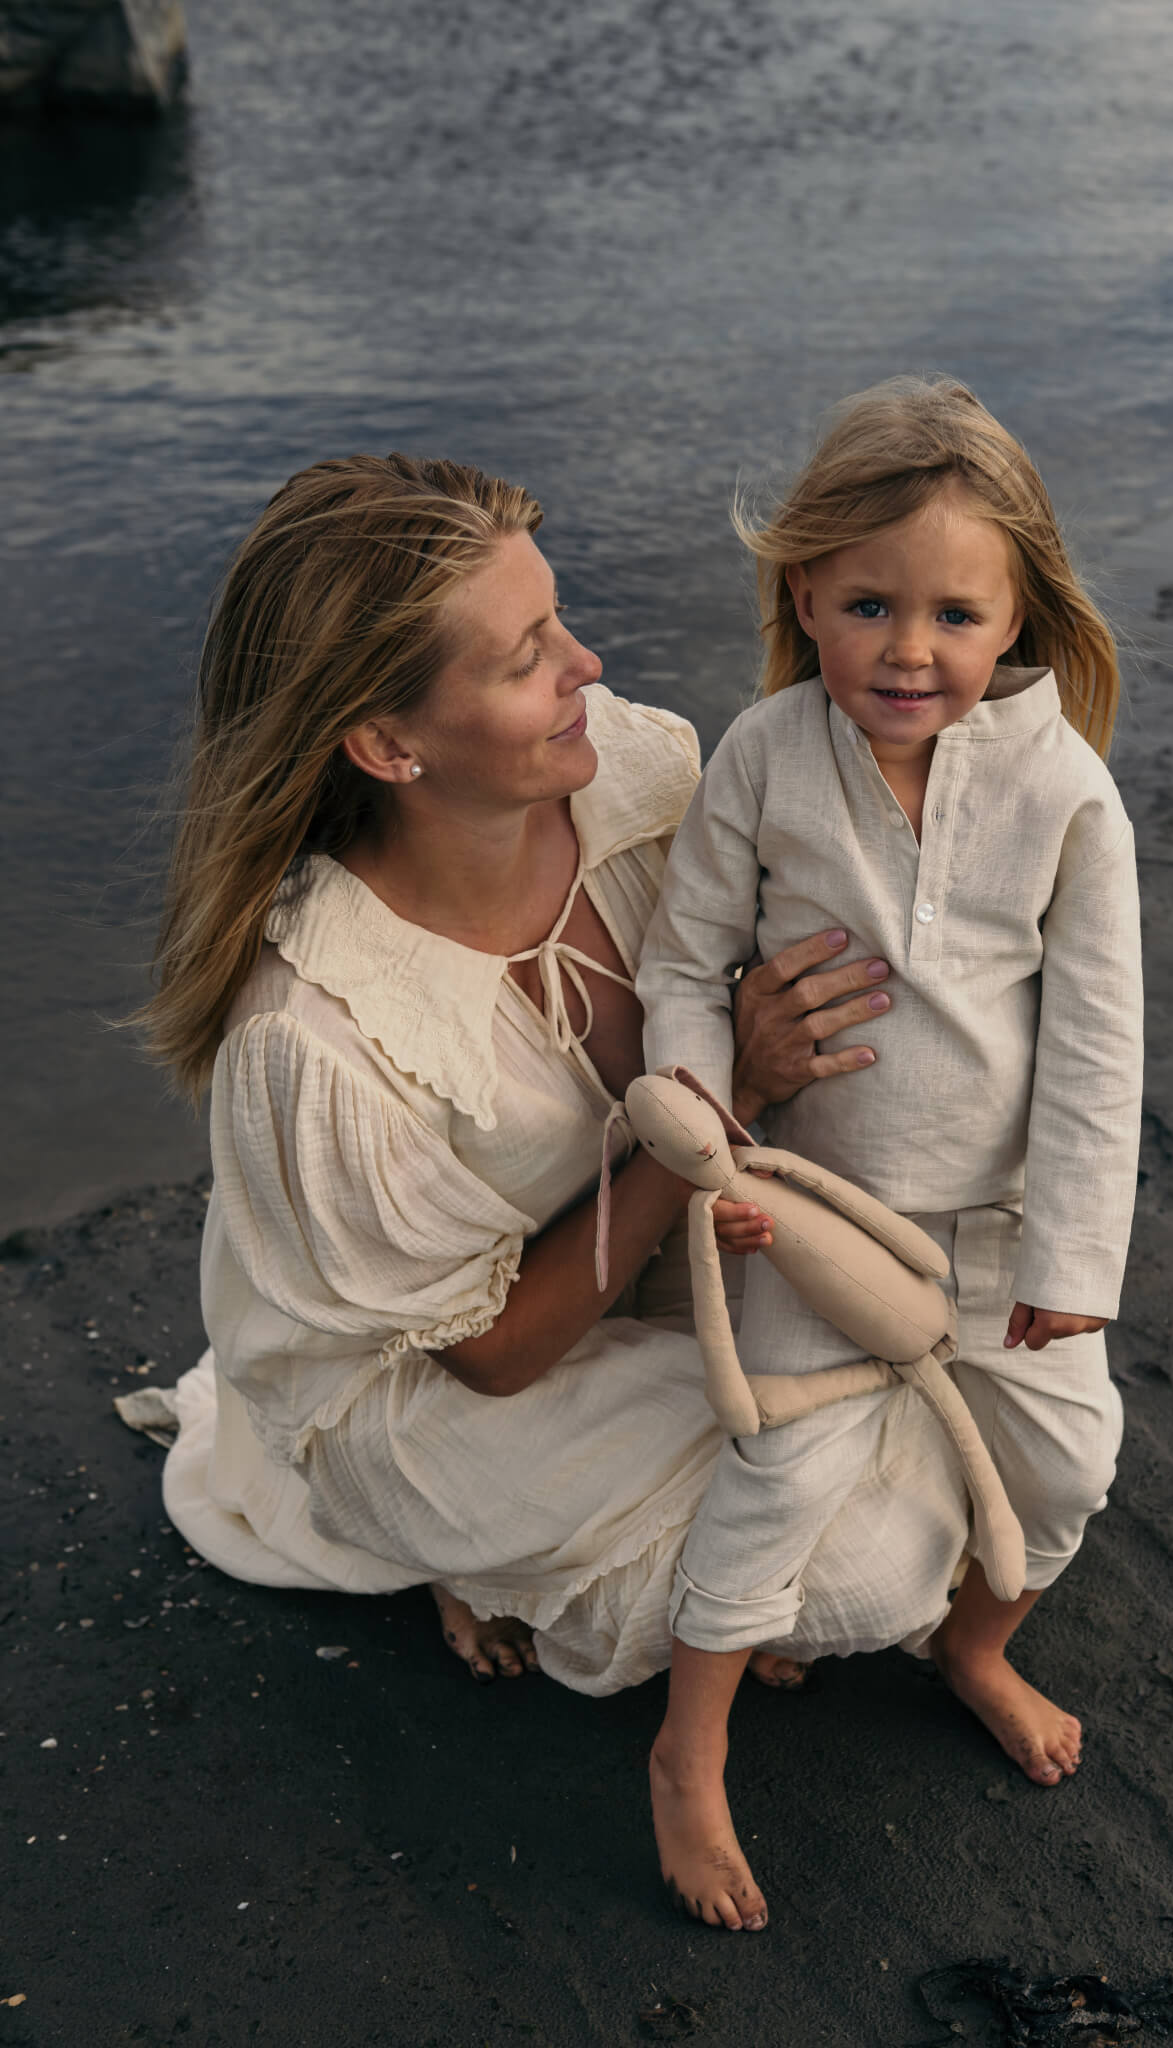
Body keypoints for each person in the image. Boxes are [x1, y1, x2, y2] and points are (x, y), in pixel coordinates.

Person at [131, 452, 980, 1930]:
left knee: (967, 1430)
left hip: (638, 1233)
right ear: (388, 747)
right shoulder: (312, 1041)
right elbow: (491, 1352)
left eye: (560, 617)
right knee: (879, 1568)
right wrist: (717, 1112)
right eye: (529, 657)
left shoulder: (638, 777)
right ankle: (458, 1554)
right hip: (439, 1378)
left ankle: (577, 1556)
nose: (587, 662)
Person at [637, 376, 1143, 1930]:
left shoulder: (1065, 792)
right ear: (803, 591)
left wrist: (1068, 1261)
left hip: (996, 1225)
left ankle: (976, 1645)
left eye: (949, 613)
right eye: (865, 604)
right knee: (775, 1467)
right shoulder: (768, 753)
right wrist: (708, 1113)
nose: (905, 649)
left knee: (1067, 1461)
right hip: (812, 1207)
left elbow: (1098, 1050)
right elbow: (681, 958)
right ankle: (689, 1744)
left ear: (1017, 617)